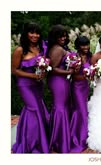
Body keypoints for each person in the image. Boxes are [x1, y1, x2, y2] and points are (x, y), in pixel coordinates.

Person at [11, 22, 49, 153]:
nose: (35, 35)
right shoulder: (20, 50)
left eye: (37, 33)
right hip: (25, 85)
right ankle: (29, 144)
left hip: (38, 85)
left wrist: (44, 72)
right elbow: (14, 70)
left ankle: (40, 141)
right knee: (33, 110)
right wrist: (32, 76)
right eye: (31, 32)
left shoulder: (41, 48)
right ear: (26, 33)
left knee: (39, 109)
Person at [46, 24, 73, 153]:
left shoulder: (58, 47)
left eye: (64, 35)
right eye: (60, 35)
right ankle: (59, 142)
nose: (63, 37)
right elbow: (53, 69)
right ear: (54, 37)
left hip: (61, 81)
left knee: (60, 107)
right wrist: (69, 72)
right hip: (58, 81)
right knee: (60, 108)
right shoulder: (58, 49)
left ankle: (60, 138)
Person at [70, 36, 92, 152]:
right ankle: (79, 139)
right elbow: (72, 74)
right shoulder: (74, 57)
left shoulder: (90, 56)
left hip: (85, 86)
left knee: (82, 110)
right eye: (83, 45)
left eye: (87, 44)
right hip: (77, 86)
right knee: (82, 111)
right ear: (78, 46)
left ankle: (81, 134)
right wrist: (85, 75)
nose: (86, 47)